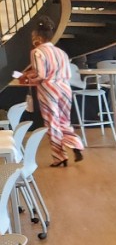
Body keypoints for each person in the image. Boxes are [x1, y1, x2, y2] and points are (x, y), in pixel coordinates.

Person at [20, 16, 84, 166]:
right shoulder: (61, 53)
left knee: (52, 123)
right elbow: (66, 73)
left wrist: (27, 78)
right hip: (65, 88)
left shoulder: (37, 52)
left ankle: (59, 157)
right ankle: (76, 145)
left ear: (38, 37)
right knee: (64, 120)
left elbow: (41, 75)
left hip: (48, 90)